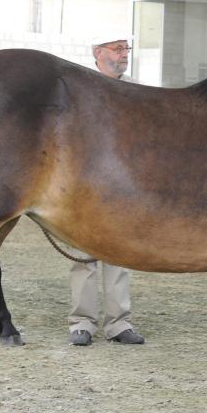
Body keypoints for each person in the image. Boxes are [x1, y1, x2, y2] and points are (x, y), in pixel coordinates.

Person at [67, 35, 145, 346]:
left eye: (126, 48)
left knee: (119, 255)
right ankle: (81, 323)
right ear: (97, 52)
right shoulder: (78, 90)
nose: (123, 54)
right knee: (81, 257)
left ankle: (118, 323)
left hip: (122, 186)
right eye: (116, 49)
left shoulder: (139, 90)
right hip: (83, 185)